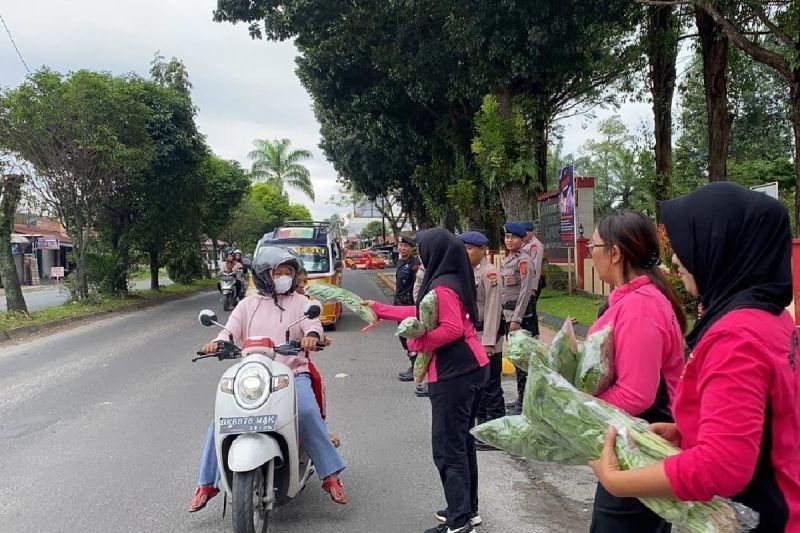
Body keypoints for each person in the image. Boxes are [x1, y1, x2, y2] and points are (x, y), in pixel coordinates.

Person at [589, 183, 800, 533]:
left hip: (764, 515)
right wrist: (689, 432)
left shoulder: (736, 337)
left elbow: (723, 466)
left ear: (721, 248)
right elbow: (761, 417)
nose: (674, 259)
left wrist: (618, 482)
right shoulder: (771, 316)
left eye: (687, 246)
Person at [188, 247, 348, 513]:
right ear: (264, 275)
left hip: (292, 373)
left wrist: (312, 336)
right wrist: (217, 343)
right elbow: (229, 331)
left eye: (288, 272)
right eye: (278, 272)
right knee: (220, 423)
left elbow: (313, 325)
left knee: (307, 411)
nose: (284, 277)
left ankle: (330, 475)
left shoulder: (299, 302)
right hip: (254, 377)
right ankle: (206, 484)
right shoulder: (247, 304)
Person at [365, 228, 490, 533]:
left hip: (455, 373)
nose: (419, 255)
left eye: (421, 249)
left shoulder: (443, 286)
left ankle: (460, 522)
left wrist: (417, 344)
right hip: (471, 366)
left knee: (448, 447)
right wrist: (381, 310)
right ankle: (465, 510)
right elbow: (422, 312)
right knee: (461, 442)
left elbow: (449, 329)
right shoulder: (450, 279)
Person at [583, 209, 687, 532]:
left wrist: (577, 403)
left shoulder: (641, 306)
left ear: (614, 253)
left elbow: (636, 393)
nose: (591, 254)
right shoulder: (632, 298)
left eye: (594, 247)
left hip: (640, 448)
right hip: (632, 446)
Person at [459, 231, 504, 440]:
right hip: (472, 335)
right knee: (476, 385)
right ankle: (482, 428)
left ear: (482, 249)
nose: (465, 253)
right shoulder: (466, 271)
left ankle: (496, 433)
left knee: (491, 385)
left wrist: (488, 342)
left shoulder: (489, 273)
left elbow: (494, 308)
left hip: (487, 335)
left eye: (468, 249)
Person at [500, 222, 536, 415]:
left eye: (513, 237)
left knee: (523, 363)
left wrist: (517, 318)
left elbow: (525, 292)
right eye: (507, 237)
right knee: (516, 360)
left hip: (521, 319)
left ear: (522, 240)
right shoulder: (507, 261)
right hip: (507, 316)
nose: (509, 240)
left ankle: (524, 403)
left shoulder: (524, 261)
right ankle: (520, 400)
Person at [395, 236, 421, 383]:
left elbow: (416, 288)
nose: (402, 248)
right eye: (401, 245)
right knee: (403, 337)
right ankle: (414, 365)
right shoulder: (400, 262)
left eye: (406, 246)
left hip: (409, 306)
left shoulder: (415, 265)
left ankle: (416, 368)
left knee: (410, 337)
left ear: (412, 248)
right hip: (399, 305)